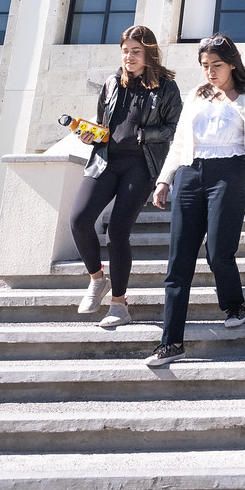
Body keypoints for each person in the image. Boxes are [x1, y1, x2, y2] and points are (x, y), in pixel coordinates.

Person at [144, 34, 245, 368]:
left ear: (232, 64)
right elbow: (181, 141)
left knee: (218, 250)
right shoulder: (196, 96)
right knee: (178, 261)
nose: (210, 72)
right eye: (204, 66)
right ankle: (171, 342)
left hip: (229, 173)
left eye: (216, 65)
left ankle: (233, 304)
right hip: (190, 174)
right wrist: (164, 179)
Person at [70, 24, 182, 330]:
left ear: (148, 53)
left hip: (141, 165)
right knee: (79, 220)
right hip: (105, 161)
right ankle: (97, 279)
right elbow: (103, 124)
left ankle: (119, 304)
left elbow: (174, 128)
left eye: (136, 51)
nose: (129, 57)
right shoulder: (111, 83)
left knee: (117, 231)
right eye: (125, 51)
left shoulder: (167, 88)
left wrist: (142, 133)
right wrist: (90, 136)